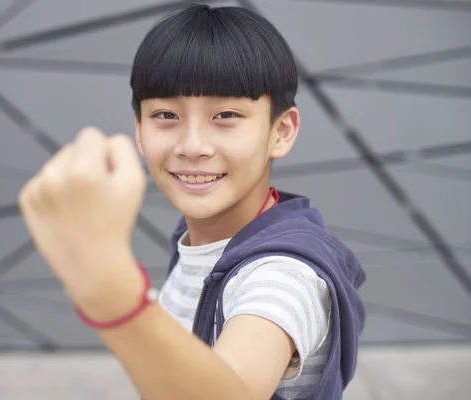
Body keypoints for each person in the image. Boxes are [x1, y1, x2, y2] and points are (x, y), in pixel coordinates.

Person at [18, 4, 366, 400]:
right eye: (166, 115)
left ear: (281, 131)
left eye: (226, 115)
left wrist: (110, 290)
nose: (192, 146)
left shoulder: (282, 275)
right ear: (139, 132)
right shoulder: (197, 239)